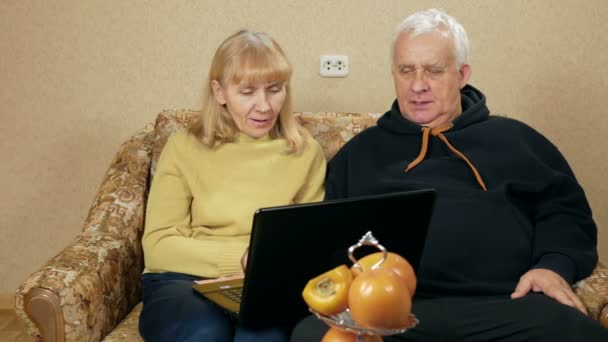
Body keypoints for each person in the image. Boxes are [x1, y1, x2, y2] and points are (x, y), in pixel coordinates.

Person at [291, 8, 608, 342]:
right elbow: (330, 242)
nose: (417, 85)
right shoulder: (359, 153)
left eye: (434, 71)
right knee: (311, 334)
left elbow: (568, 216)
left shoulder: (518, 141)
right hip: (393, 314)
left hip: (506, 307)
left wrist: (553, 266)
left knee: (576, 333)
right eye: (406, 70)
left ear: (462, 74)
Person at [138, 30, 326, 342]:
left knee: (262, 338)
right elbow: (158, 246)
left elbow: (307, 246)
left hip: (264, 284)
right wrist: (241, 258)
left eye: (274, 90)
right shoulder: (184, 147)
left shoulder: (305, 152)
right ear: (220, 91)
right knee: (205, 333)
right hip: (182, 280)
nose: (264, 106)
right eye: (248, 92)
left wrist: (264, 269)